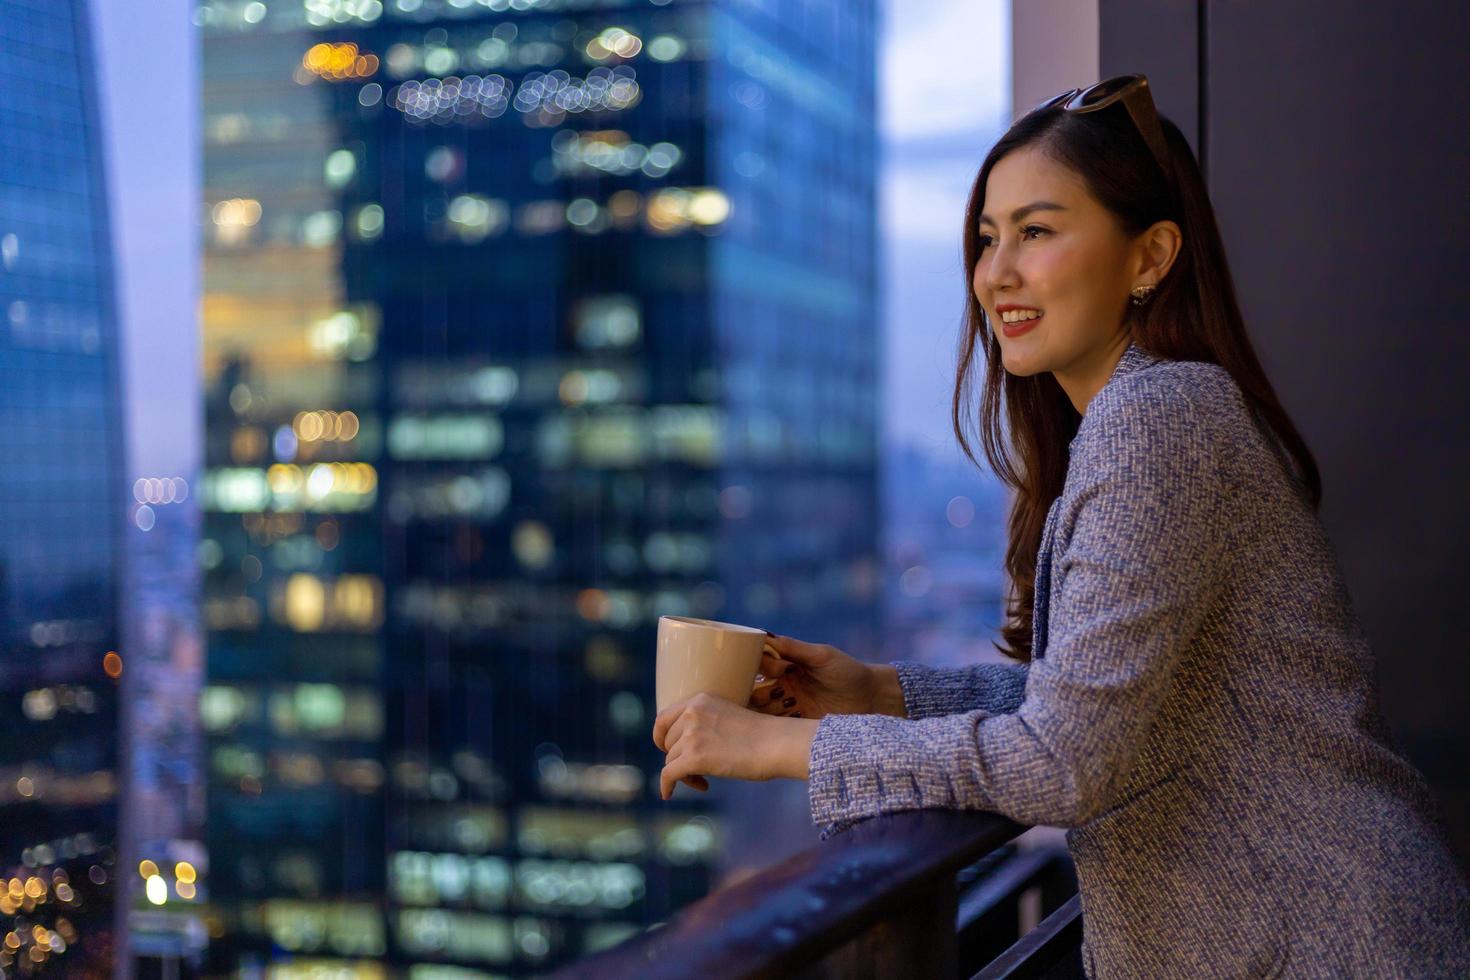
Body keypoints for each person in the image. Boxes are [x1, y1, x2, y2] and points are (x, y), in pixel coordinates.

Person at [651, 74, 1470, 976]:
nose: (995, 272)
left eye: (1036, 232)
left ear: (1150, 256)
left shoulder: (1160, 419)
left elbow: (1062, 761)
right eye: (987, 237)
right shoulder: (1142, 418)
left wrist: (781, 746)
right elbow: (1111, 709)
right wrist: (882, 692)